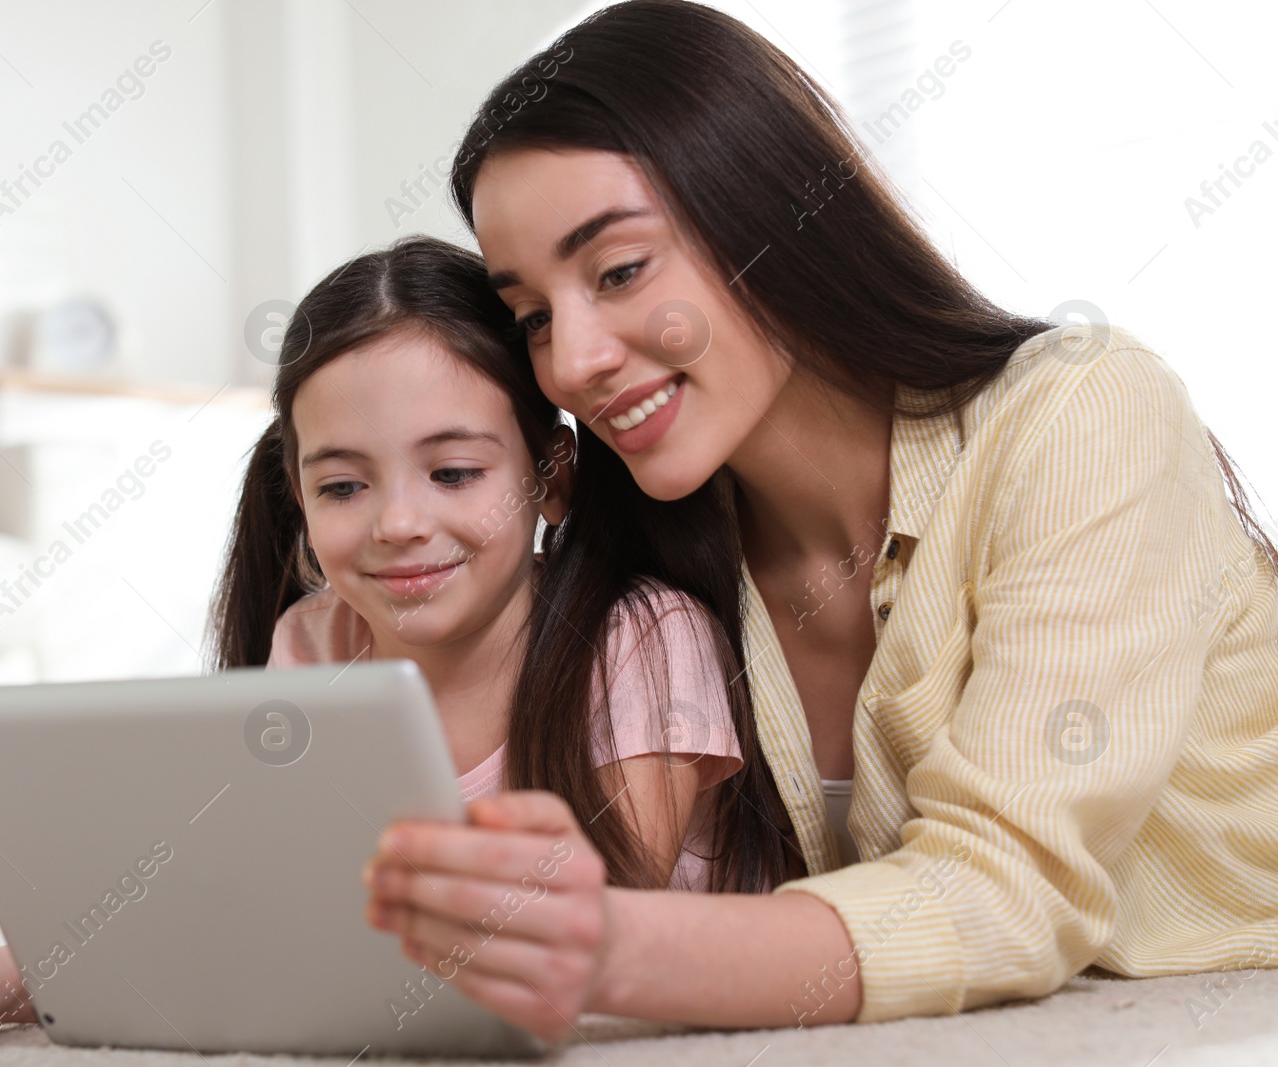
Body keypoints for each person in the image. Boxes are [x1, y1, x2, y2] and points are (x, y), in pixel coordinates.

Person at [361, 0, 1278, 1039]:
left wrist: (611, 944)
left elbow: (1007, 892)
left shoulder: (1079, 412)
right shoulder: (671, 561)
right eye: (531, 316)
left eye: (619, 271)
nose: (570, 364)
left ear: (771, 212)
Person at [0, 235, 800, 1052]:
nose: (398, 523)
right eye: (343, 486)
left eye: (454, 471)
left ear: (550, 476)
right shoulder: (316, 637)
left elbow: (601, 933)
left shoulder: (640, 637)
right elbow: (263, 909)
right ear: (297, 495)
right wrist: (17, 974)